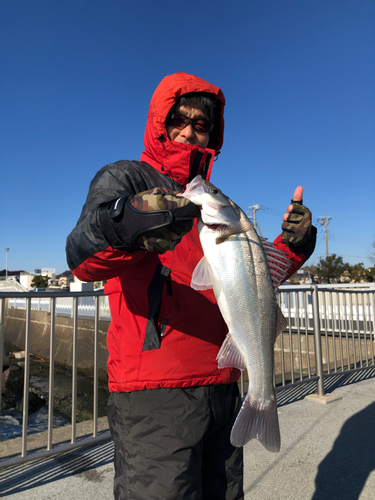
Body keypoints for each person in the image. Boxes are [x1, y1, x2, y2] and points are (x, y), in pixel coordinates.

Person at [66, 72, 316, 500]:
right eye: (178, 119)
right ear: (158, 122)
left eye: (201, 124)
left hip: (223, 381)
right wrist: (122, 222)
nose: (188, 130)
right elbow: (82, 259)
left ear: (212, 134)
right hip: (154, 392)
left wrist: (291, 248)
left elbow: (249, 279)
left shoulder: (216, 208)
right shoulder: (125, 178)